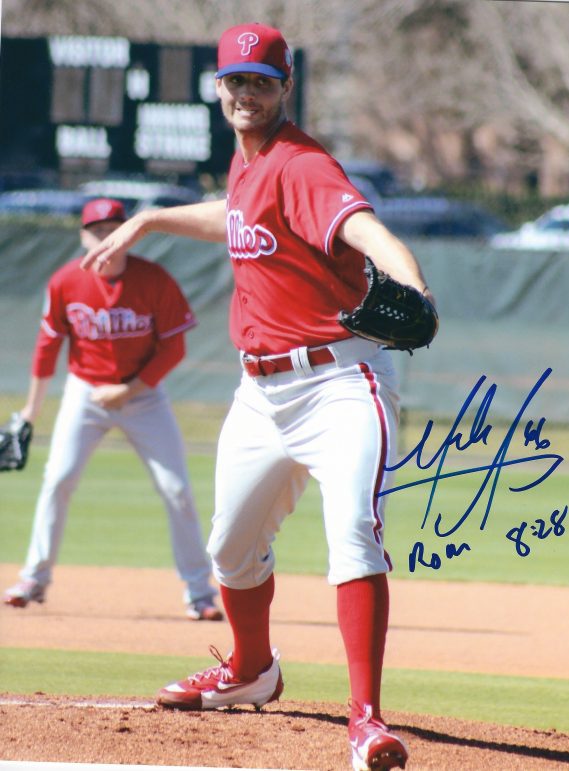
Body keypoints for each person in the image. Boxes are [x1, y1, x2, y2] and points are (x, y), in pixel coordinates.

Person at [80, 24, 435, 771]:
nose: (248, 93)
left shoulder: (301, 164)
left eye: (262, 82)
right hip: (261, 391)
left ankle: (366, 720)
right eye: (236, 80)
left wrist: (415, 286)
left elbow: (367, 230)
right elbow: (233, 216)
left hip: (340, 383)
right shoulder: (250, 163)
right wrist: (149, 219)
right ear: (219, 88)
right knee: (229, 550)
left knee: (354, 532)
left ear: (285, 88)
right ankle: (250, 670)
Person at [4, 198, 222, 623]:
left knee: (176, 489)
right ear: (83, 236)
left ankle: (199, 591)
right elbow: (47, 348)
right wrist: (31, 410)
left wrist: (130, 389)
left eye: (113, 228)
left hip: (144, 396)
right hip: (85, 394)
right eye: (97, 230)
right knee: (58, 479)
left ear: (128, 234)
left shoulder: (153, 279)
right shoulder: (66, 281)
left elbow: (174, 347)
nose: (105, 237)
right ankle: (34, 578)